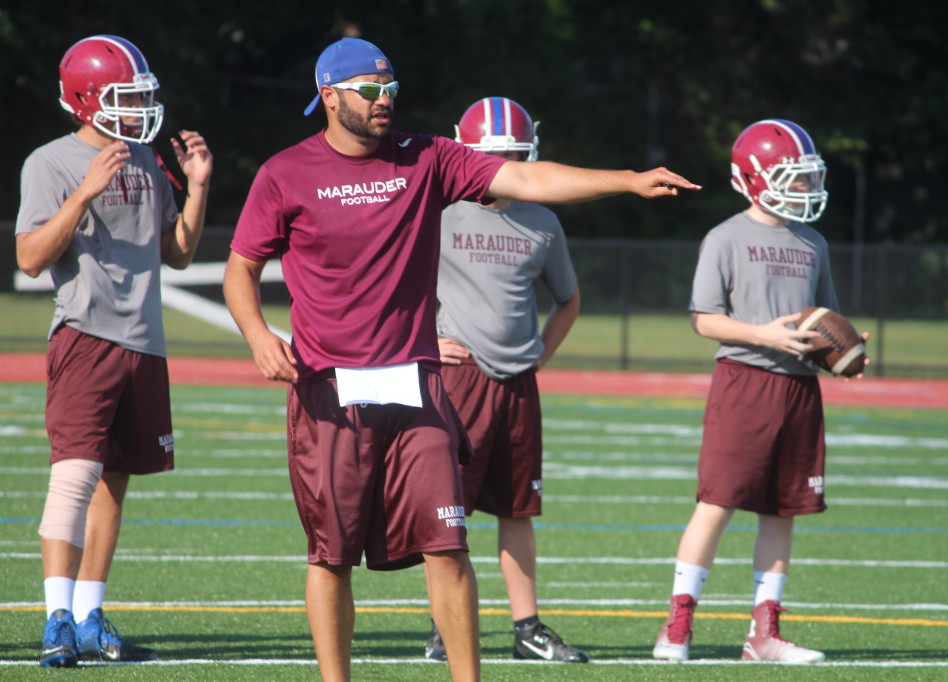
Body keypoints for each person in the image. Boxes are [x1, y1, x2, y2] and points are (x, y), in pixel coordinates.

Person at [222, 37, 697, 682]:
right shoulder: (284, 173)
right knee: (330, 555)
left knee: (448, 546)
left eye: (390, 88)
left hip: (417, 387)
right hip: (330, 392)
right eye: (369, 89)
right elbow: (241, 270)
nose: (384, 100)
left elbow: (527, 177)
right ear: (330, 96)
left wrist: (626, 181)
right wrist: (257, 335)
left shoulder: (429, 158)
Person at [15, 35, 213, 667]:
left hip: (144, 342)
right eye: (126, 97)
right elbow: (28, 258)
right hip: (86, 335)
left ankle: (91, 613)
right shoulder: (50, 162)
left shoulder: (147, 159)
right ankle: (55, 619)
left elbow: (176, 253)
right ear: (87, 100)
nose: (139, 108)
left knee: (115, 484)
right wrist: (82, 194)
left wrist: (200, 188)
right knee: (73, 477)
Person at [652, 119, 865, 664]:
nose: (803, 189)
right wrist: (761, 334)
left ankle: (763, 634)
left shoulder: (812, 241)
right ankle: (677, 625)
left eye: (806, 179)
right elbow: (704, 320)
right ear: (754, 178)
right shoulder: (725, 237)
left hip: (800, 390)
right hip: (745, 382)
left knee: (782, 511)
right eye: (792, 179)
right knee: (716, 504)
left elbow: (824, 321)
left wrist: (845, 351)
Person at [421, 97, 587, 664]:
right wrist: (423, 342)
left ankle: (527, 628)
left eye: (516, 156)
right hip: (457, 380)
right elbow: (398, 285)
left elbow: (568, 300)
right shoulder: (437, 209)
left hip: (518, 383)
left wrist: (541, 352)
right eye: (496, 157)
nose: (505, 167)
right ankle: (448, 626)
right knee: (450, 512)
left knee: (518, 510)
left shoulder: (544, 219)